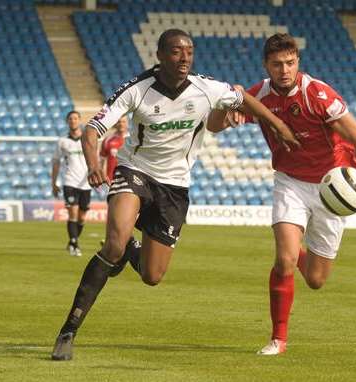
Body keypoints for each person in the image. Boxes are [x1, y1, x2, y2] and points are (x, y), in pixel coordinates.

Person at [51, 28, 299, 361]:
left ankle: (130, 250)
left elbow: (243, 98)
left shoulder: (205, 88)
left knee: (152, 276)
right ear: (160, 55)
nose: (184, 59)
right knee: (113, 242)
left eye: (189, 52)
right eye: (176, 52)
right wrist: (94, 164)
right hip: (134, 172)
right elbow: (92, 131)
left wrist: (278, 125)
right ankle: (68, 331)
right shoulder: (137, 89)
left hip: (174, 187)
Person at [207, 33, 356, 355]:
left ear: (298, 63)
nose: (284, 70)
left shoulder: (318, 95)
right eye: (277, 64)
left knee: (317, 279)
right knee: (284, 259)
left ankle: (296, 256)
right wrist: (228, 110)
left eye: (290, 63)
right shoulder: (259, 94)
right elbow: (213, 126)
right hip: (290, 182)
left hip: (330, 187)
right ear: (266, 65)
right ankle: (278, 339)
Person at [51, 111, 91, 257]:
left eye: (75, 118)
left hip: (85, 183)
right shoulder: (62, 141)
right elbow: (56, 162)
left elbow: (95, 159)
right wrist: (54, 182)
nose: (73, 121)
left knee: (82, 217)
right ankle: (74, 244)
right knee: (73, 213)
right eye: (70, 119)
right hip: (70, 181)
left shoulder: (88, 139)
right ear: (67, 121)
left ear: (80, 120)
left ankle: (72, 241)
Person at [99, 115, 129, 182]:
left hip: (129, 180)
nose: (121, 124)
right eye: (119, 122)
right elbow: (101, 161)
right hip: (112, 179)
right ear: (115, 123)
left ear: (127, 123)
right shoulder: (108, 140)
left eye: (123, 122)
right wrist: (102, 176)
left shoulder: (133, 140)